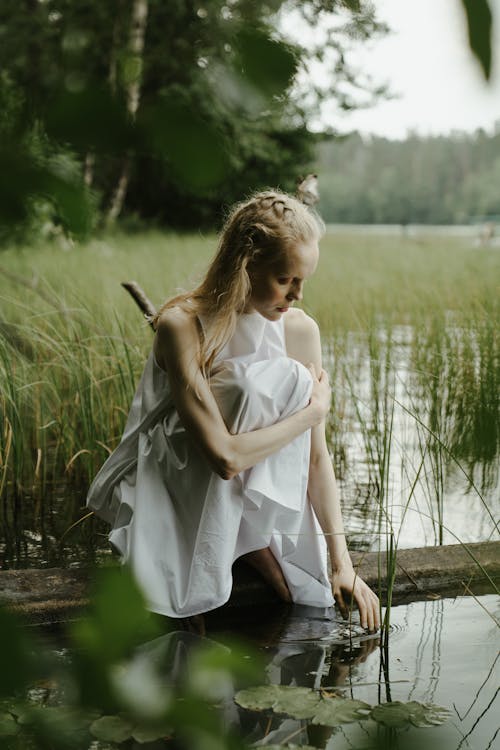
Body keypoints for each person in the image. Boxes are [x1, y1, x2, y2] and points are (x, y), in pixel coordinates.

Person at [86, 190, 380, 632]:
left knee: (298, 596)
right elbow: (223, 458)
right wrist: (310, 413)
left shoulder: (299, 330)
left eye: (304, 281)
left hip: (244, 482)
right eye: (286, 280)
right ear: (245, 265)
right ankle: (208, 545)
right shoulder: (181, 324)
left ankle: (250, 535)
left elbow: (316, 458)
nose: (297, 296)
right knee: (253, 386)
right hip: (183, 476)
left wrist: (343, 562)